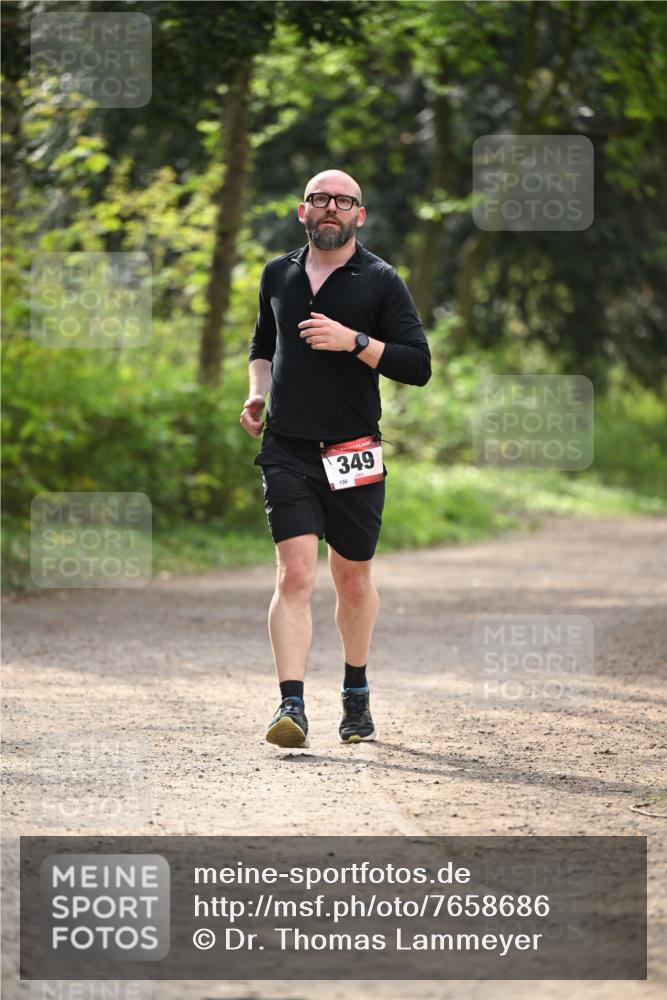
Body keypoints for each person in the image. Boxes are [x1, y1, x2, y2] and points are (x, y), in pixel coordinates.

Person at [240, 169, 431, 749]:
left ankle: (355, 689)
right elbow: (263, 345)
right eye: (319, 199)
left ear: (359, 216)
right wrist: (256, 393)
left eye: (343, 201)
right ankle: (291, 705)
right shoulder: (278, 273)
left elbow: (417, 365)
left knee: (352, 579)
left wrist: (355, 342)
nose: (331, 208)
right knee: (295, 574)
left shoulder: (380, 280)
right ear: (303, 210)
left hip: (353, 450)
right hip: (286, 447)